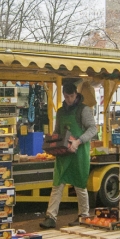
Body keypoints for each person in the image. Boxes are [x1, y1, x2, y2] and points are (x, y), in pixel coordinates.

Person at [40, 81, 98, 229]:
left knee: (80, 184)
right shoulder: (60, 112)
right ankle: (51, 217)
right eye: (66, 97)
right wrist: (51, 143)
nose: (69, 100)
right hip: (63, 154)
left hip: (79, 153)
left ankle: (83, 216)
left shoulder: (83, 110)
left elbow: (93, 129)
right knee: (57, 184)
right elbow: (57, 131)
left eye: (71, 96)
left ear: (76, 95)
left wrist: (78, 142)